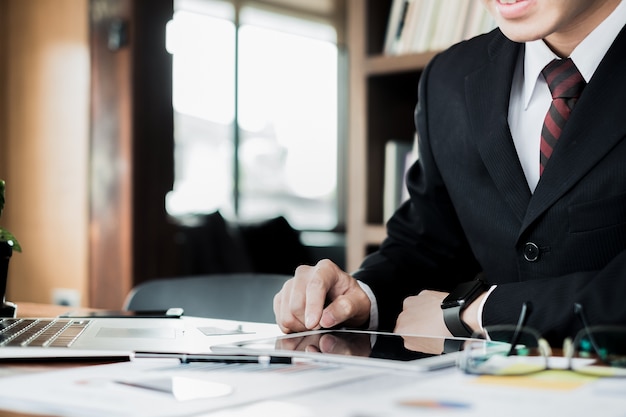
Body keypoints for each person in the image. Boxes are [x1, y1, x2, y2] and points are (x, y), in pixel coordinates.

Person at [274, 0, 626, 345]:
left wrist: (481, 313)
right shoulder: (449, 78)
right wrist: (362, 297)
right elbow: (428, 243)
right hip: (488, 390)